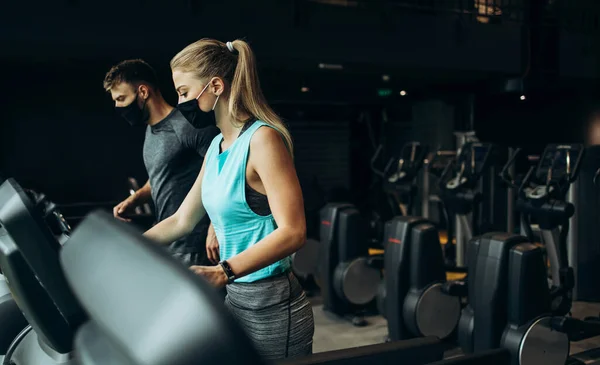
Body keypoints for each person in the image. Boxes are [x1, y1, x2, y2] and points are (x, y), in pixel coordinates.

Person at [143, 39, 314, 360]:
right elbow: (183, 220)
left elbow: (294, 231)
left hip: (273, 305)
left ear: (216, 86)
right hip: (236, 299)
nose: (180, 103)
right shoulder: (217, 146)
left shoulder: (263, 140)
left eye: (183, 92)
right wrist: (129, 244)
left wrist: (222, 271)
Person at [103, 59, 220, 267]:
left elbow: (223, 168)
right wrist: (136, 199)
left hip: (194, 246)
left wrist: (217, 226)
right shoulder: (151, 130)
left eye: (121, 98)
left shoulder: (186, 125)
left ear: (143, 92)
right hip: (168, 242)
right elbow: (162, 175)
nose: (118, 107)